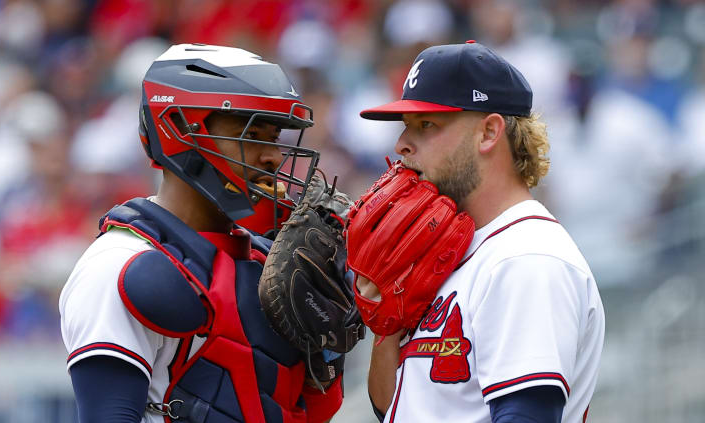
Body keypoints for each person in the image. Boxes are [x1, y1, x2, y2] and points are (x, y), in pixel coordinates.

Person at [59, 44, 346, 423]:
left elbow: (315, 412)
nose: (274, 156)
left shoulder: (276, 262)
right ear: (178, 129)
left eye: (274, 137)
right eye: (251, 132)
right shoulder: (118, 264)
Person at [354, 41, 605, 422]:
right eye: (406, 126)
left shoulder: (527, 258)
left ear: (488, 133)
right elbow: (395, 409)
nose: (402, 144)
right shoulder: (446, 253)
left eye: (426, 125)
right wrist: (387, 328)